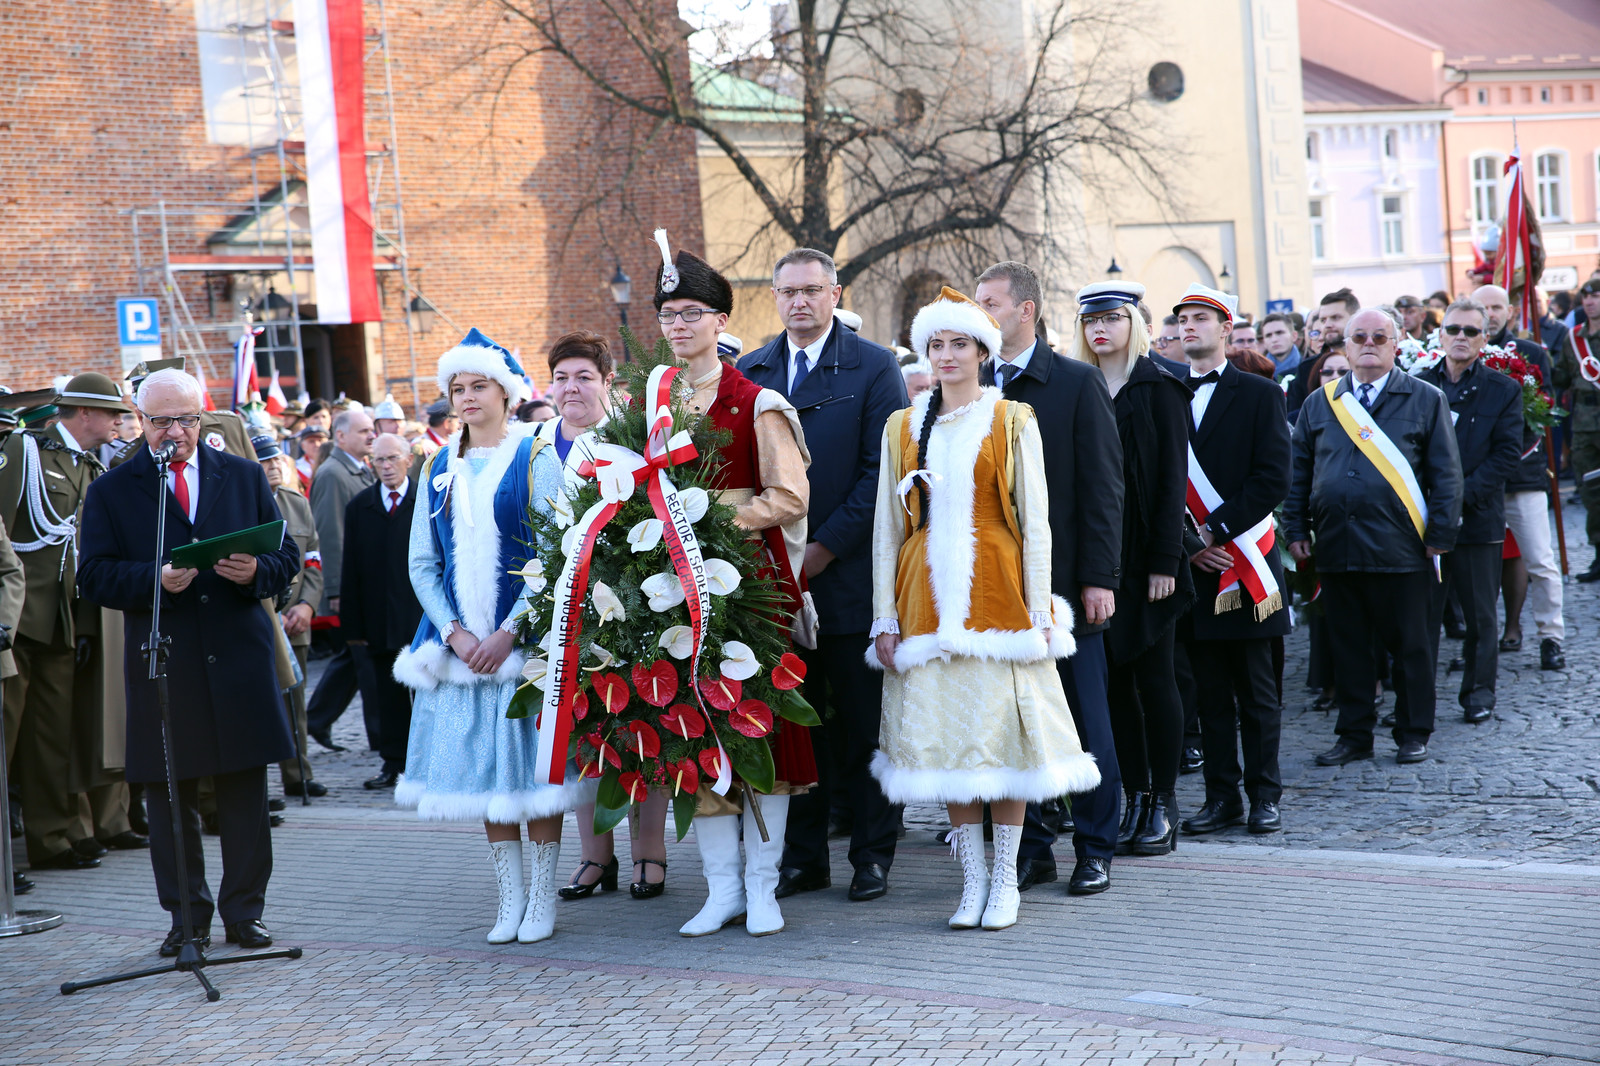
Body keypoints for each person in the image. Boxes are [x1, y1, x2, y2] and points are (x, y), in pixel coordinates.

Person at [869, 286, 1099, 931]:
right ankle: (970, 881)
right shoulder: (901, 426)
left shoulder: (1012, 419)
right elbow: (888, 527)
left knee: (1000, 743)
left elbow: (1036, 520)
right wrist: (884, 614)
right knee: (948, 745)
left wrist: (1039, 607)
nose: (947, 355)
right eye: (936, 344)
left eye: (960, 344)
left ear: (982, 352)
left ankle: (1005, 882)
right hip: (923, 600)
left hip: (997, 594)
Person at [78, 368, 301, 955]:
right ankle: (186, 919)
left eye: (186, 419)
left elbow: (286, 555)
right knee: (170, 797)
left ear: (201, 418)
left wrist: (257, 571)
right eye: (161, 421)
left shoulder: (243, 475)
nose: (174, 431)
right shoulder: (112, 489)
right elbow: (93, 576)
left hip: (238, 656)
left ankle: (245, 913)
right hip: (165, 662)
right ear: (140, 419)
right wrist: (154, 578)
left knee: (245, 793)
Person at [392, 328, 579, 944]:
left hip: (525, 649)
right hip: (461, 652)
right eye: (457, 389)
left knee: (535, 779)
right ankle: (509, 899)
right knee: (484, 780)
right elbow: (423, 562)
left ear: (505, 392)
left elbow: (557, 551)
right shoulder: (436, 467)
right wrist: (453, 632)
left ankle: (542, 899)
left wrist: (508, 631)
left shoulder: (536, 457)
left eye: (479, 386)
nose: (467, 397)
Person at [655, 241, 815, 937]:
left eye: (691, 312)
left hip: (747, 587)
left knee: (761, 732)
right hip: (670, 587)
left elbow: (790, 495)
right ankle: (721, 890)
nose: (678, 325)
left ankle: (763, 888)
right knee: (696, 733)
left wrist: (711, 519)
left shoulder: (758, 402)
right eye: (669, 314)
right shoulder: (653, 401)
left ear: (721, 320)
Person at [738, 247, 906, 905]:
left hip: (849, 577)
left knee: (865, 725)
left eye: (812, 290)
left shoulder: (874, 366)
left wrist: (821, 551)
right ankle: (804, 858)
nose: (800, 302)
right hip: (772, 584)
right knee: (796, 723)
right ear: (775, 298)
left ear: (836, 294)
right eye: (788, 292)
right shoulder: (753, 370)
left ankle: (872, 855)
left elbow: (881, 475)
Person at [974, 261, 1123, 897]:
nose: (980, 315)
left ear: (1026, 310)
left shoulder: (1075, 382)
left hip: (1064, 586)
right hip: (995, 590)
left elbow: (1103, 488)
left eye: (991, 303)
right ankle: (1030, 849)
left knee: (1085, 722)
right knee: (1010, 723)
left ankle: (1095, 846)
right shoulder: (972, 384)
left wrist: (1098, 578)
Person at [519, 332, 672, 904]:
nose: (571, 388)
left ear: (608, 382)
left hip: (630, 607)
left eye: (584, 377)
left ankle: (650, 852)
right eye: (561, 378)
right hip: (560, 610)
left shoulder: (628, 438)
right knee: (582, 730)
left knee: (644, 727)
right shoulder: (534, 446)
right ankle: (595, 856)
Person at [1286, 309, 1463, 766]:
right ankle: (1354, 735)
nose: (1369, 344)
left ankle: (1413, 731)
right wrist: (1295, 529)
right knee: (1349, 648)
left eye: (1379, 337)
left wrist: (1440, 536)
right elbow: (1298, 472)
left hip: (1402, 548)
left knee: (1411, 646)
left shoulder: (1425, 398)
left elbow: (1447, 475)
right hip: (1337, 545)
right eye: (1359, 337)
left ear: (1395, 345)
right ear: (1345, 347)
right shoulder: (1320, 403)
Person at [1161, 286, 1292, 837]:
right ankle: (1222, 798)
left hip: (1248, 560)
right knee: (1209, 694)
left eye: (1200, 318)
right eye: (1182, 320)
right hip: (1197, 567)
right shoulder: (1163, 394)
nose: (1188, 327)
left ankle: (1264, 796)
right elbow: (1156, 482)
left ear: (1225, 327)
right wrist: (1191, 546)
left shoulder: (1260, 393)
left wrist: (1214, 530)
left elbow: (1272, 477)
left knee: (1258, 693)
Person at [1069, 282, 1193, 855]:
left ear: (1133, 324)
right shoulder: (1081, 384)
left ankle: (1162, 801)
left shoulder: (1160, 386)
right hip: (1098, 558)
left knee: (1155, 679)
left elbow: (1172, 481)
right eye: (1091, 321)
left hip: (1149, 557)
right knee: (1113, 684)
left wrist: (1166, 560)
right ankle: (1133, 795)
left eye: (1112, 319)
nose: (1100, 329)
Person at [0, 373, 137, 871]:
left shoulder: (84, 464)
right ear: (85, 413)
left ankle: (51, 837)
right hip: (17, 619)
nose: (119, 422)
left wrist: (83, 623)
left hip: (61, 619)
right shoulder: (24, 451)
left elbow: (76, 549)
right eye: (112, 414)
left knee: (51, 736)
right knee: (6, 736)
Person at [1415, 299, 1523, 723]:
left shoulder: (1503, 389)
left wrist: (1457, 497)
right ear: (1440, 335)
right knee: (1421, 617)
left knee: (1480, 615)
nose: (1461, 337)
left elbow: (1507, 455)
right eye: (1454, 329)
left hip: (1478, 518)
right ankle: (1415, 700)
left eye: (1471, 331)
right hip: (1424, 521)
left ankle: (1479, 693)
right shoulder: (1418, 384)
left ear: (1485, 338)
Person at [341, 433, 423, 791]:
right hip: (380, 618)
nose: (386, 466)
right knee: (388, 697)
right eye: (379, 460)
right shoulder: (360, 506)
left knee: (427, 694)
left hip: (421, 617)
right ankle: (393, 762)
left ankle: (429, 761)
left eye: (393, 458)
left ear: (409, 460)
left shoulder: (426, 500)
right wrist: (353, 625)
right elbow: (351, 567)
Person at [252, 434, 323, 799]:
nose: (273, 466)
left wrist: (307, 605)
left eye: (277, 459)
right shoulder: (243, 502)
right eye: (264, 461)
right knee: (256, 703)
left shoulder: (297, 502)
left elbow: (313, 559)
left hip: (295, 621)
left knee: (295, 702)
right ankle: (257, 784)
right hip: (261, 619)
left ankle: (298, 774)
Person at [305, 408, 377, 754]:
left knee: (353, 656)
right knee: (361, 657)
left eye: (371, 429)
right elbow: (330, 534)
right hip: (350, 585)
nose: (371, 435)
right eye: (363, 431)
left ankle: (317, 718)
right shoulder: (334, 473)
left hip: (365, 581)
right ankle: (378, 735)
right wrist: (333, 588)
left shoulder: (359, 467)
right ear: (341, 436)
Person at [1555, 277, 1600, 586]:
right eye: (1586, 297)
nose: (1590, 302)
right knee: (1590, 492)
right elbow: (1561, 376)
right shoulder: (1573, 338)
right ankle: (1599, 553)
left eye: (1595, 296)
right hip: (1584, 426)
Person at [1259, 313, 1301, 379]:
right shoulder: (1258, 373)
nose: (1274, 339)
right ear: (1264, 342)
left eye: (1279, 333)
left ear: (1294, 336)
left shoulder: (1309, 367)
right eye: (1268, 335)